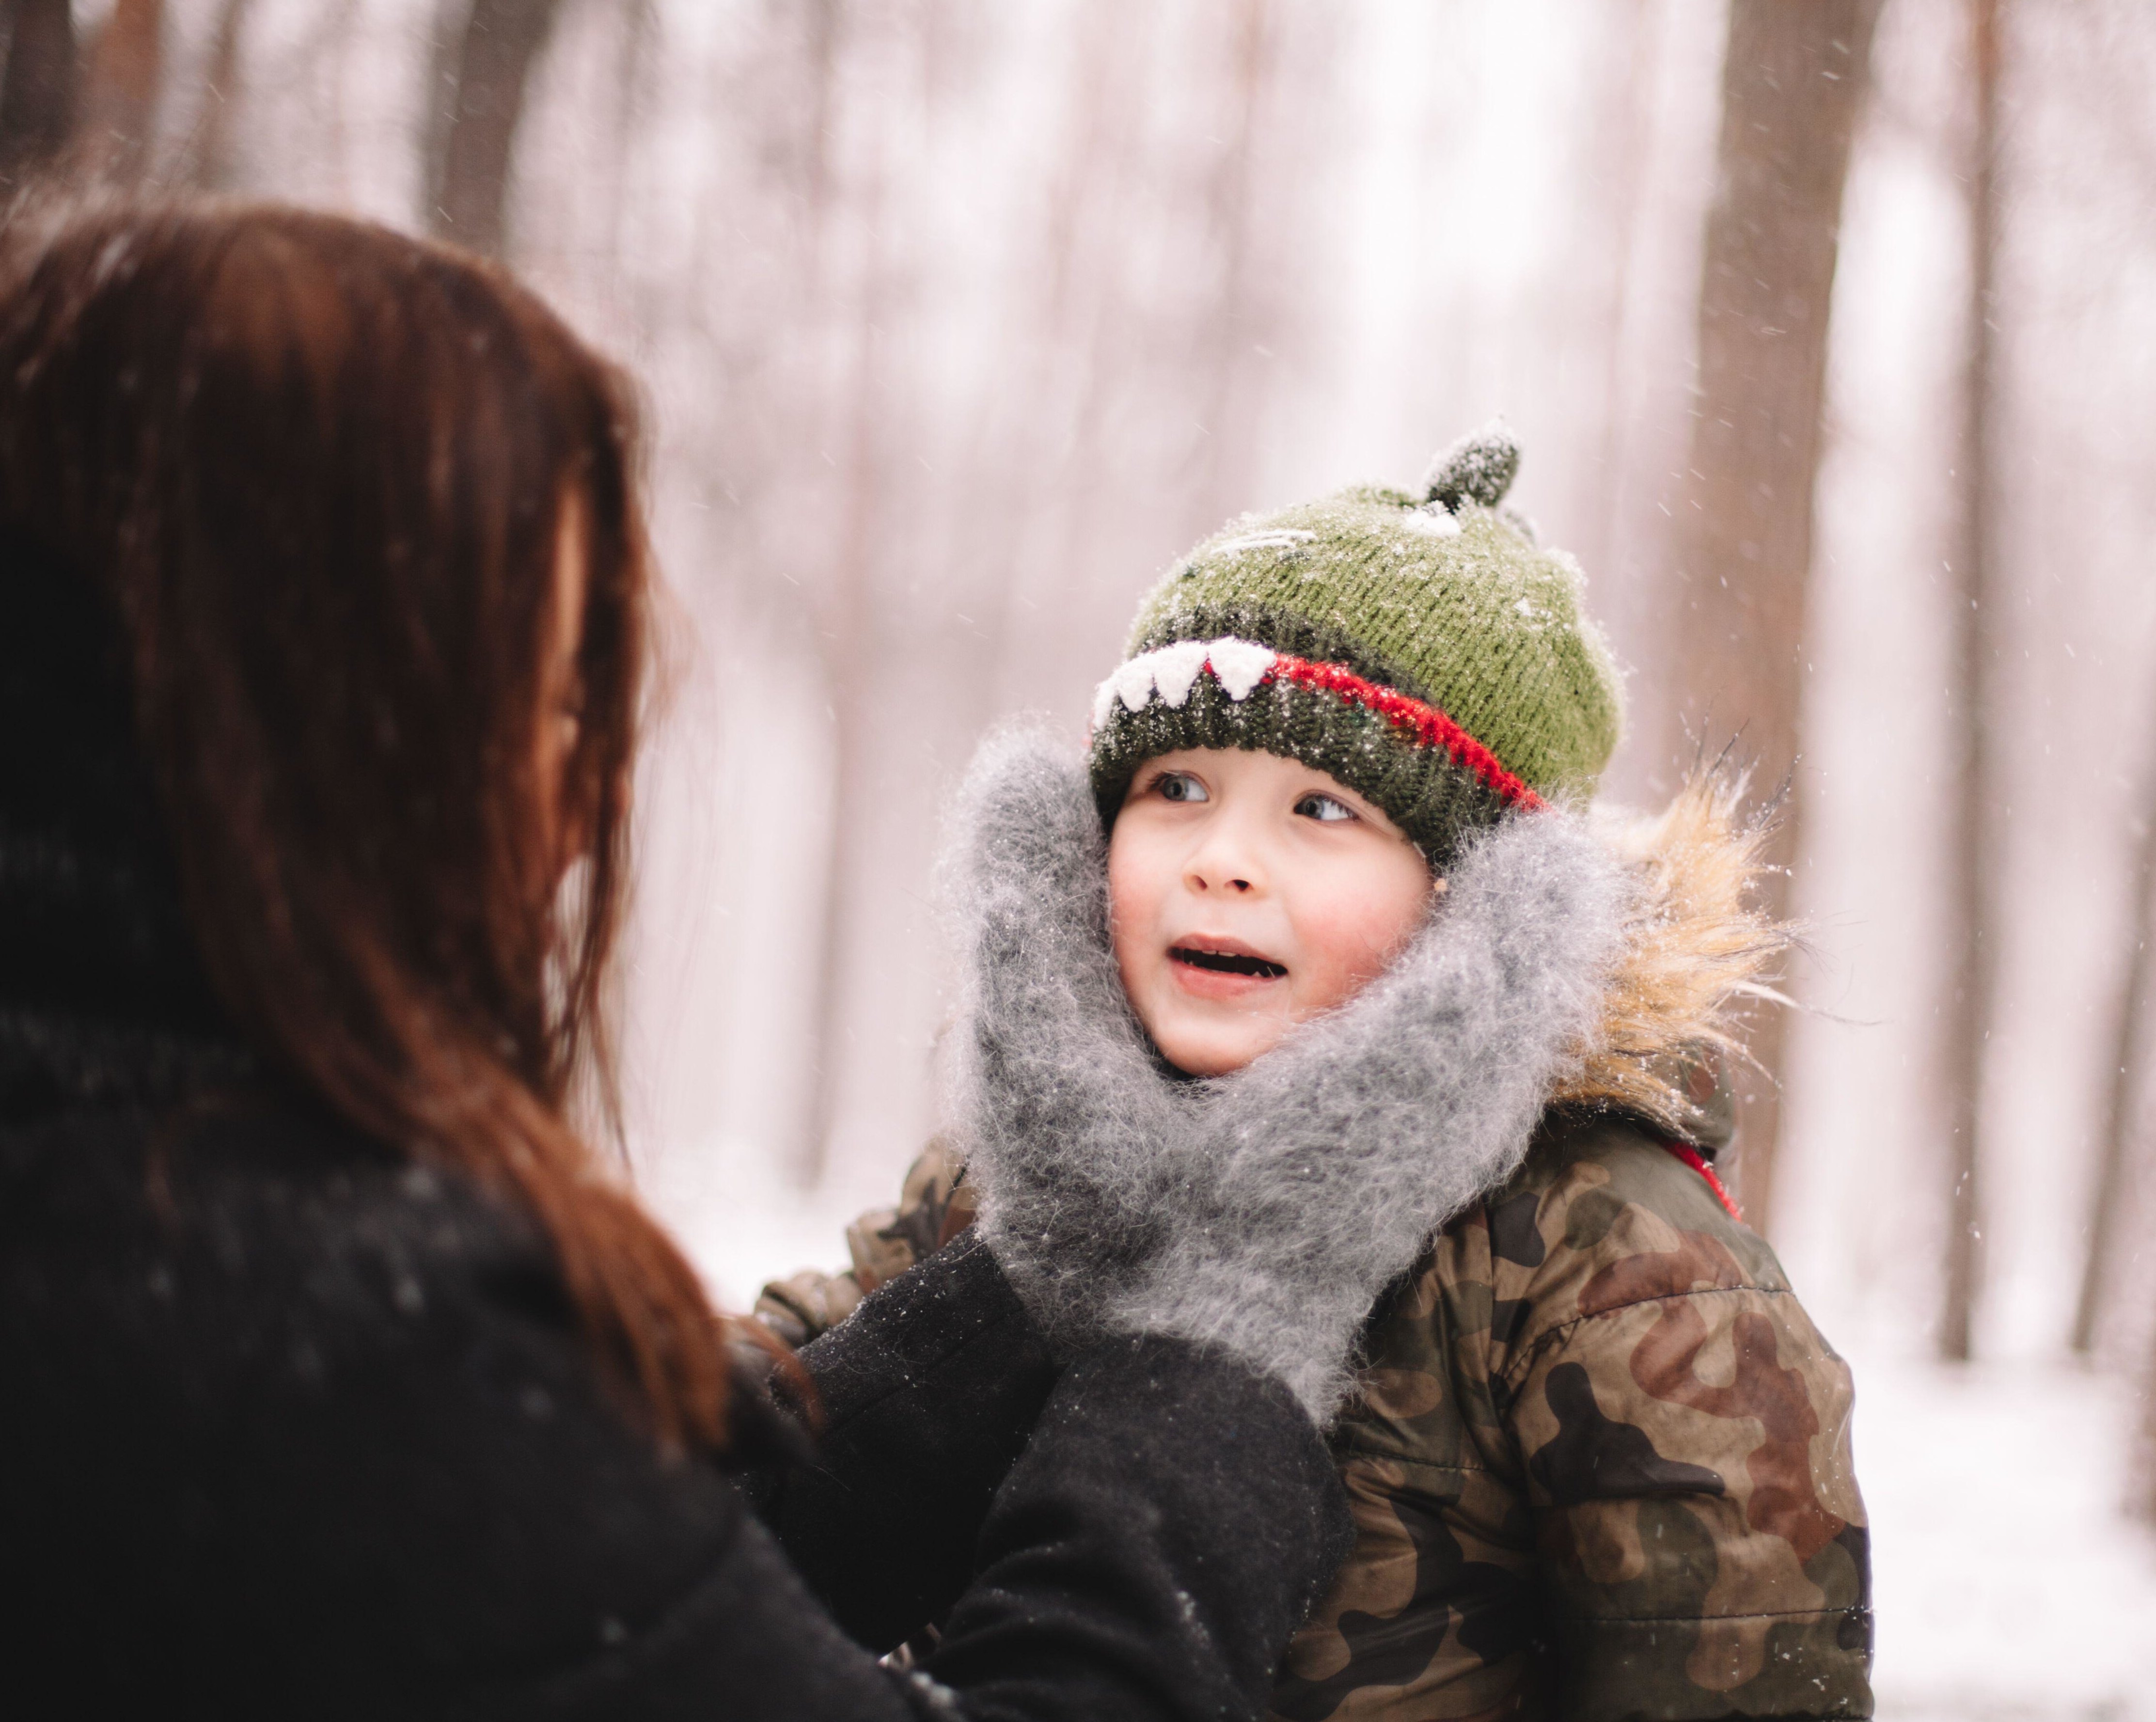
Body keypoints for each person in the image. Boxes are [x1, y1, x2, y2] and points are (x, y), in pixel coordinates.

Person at [0, 198, 1521, 1719]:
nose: (576, 812)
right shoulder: (302, 1334)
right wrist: (1230, 1322)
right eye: (544, 703)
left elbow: (644, 1574)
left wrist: (1037, 1291)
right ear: (316, 734)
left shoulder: (141, 1203)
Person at [753, 428, 1877, 1720]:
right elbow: (738, 1436)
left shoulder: (1608, 1256)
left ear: (1479, 904)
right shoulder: (1019, 1172)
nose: (1220, 860)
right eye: (1174, 786)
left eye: (1324, 811)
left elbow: (1739, 1666)